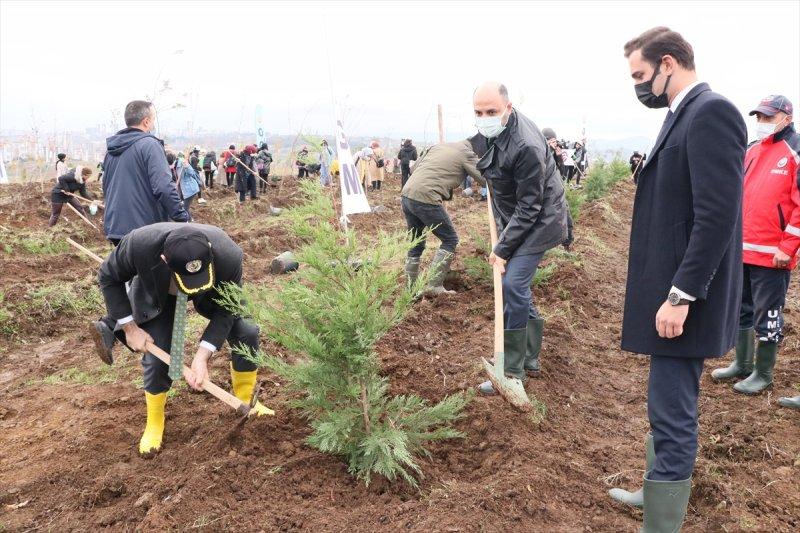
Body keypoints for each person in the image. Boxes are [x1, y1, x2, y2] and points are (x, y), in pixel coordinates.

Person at [607, 28, 746, 532]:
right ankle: (655, 488)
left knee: (672, 403)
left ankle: (662, 521)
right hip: (670, 287)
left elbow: (716, 216)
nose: (639, 86)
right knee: (663, 399)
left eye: (641, 75)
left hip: (686, 295)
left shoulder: (711, 112)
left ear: (668, 63)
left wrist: (681, 295)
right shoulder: (679, 114)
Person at [96, 223, 274, 456]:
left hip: (211, 293)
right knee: (159, 356)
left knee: (247, 332)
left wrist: (202, 356)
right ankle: (155, 422)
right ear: (163, 259)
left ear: (210, 251)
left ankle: (246, 400)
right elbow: (108, 277)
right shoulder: (139, 245)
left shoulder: (228, 254)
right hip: (160, 294)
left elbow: (227, 310)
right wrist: (130, 329)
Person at [470, 82, 568, 395]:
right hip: (518, 217)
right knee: (518, 287)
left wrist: (502, 248)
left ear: (508, 108)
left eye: (491, 112)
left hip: (541, 221)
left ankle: (512, 371)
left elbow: (530, 207)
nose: (484, 117)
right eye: (478, 112)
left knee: (512, 284)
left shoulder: (526, 145)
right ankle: (531, 357)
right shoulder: (493, 133)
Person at [710, 95, 799, 397]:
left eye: (768, 117)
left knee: (768, 313)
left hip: (773, 254)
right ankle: (742, 362)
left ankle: (764, 373)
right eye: (759, 117)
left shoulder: (795, 151)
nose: (762, 123)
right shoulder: (752, 150)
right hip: (743, 248)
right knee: (741, 307)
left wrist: (787, 246)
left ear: (786, 118)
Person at [90, 100, 190, 362]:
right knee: (166, 292)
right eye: (153, 119)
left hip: (117, 228)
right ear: (146, 121)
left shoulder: (111, 152)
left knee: (135, 281)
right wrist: (183, 220)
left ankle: (113, 325)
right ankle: (168, 360)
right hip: (146, 231)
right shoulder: (149, 144)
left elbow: (106, 189)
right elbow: (163, 187)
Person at [401, 140, 484, 295]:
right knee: (450, 239)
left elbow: (413, 169)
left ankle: (410, 288)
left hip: (407, 195)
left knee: (416, 241)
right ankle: (434, 284)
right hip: (426, 197)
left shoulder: (437, 146)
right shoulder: (466, 153)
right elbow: (485, 179)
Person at [542, 127, 575, 250]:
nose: (554, 143)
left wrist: (559, 156)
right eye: (551, 141)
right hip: (546, 194)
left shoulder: (554, 154)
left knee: (566, 218)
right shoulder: (540, 152)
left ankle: (566, 245)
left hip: (557, 191)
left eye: (554, 141)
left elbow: (563, 173)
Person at [177, 152, 204, 217]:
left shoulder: (183, 164)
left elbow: (191, 172)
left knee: (185, 208)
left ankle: (188, 221)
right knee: (185, 207)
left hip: (190, 189)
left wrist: (187, 166)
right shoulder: (177, 165)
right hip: (185, 189)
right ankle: (189, 220)